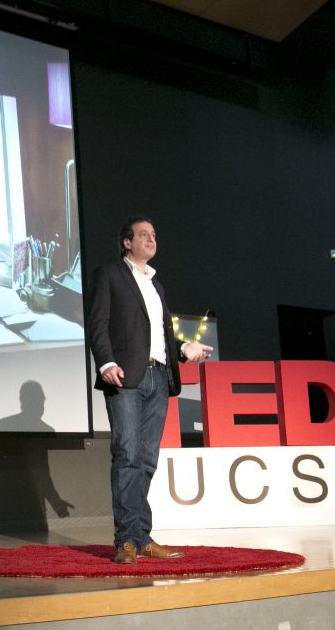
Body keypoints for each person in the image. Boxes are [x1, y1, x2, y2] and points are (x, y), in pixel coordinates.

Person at [87, 216, 213, 564]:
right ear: (126, 242)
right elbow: (97, 321)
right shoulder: (110, 274)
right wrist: (106, 362)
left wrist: (184, 348)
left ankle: (142, 538)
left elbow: (157, 335)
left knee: (146, 460)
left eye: (154, 234)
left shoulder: (156, 286)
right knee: (127, 454)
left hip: (159, 378)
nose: (151, 239)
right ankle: (126, 540)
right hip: (126, 376)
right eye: (143, 234)